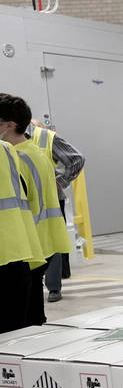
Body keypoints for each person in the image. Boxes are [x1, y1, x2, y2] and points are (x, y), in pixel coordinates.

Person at [0, 97, 47, 331]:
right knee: (26, 322)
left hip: (15, 248)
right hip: (24, 246)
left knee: (18, 326)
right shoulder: (13, 150)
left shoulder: (16, 152)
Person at [26, 118, 84, 303]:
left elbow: (76, 159)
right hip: (23, 201)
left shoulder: (45, 137)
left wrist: (60, 182)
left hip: (50, 199)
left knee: (51, 240)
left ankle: (53, 287)